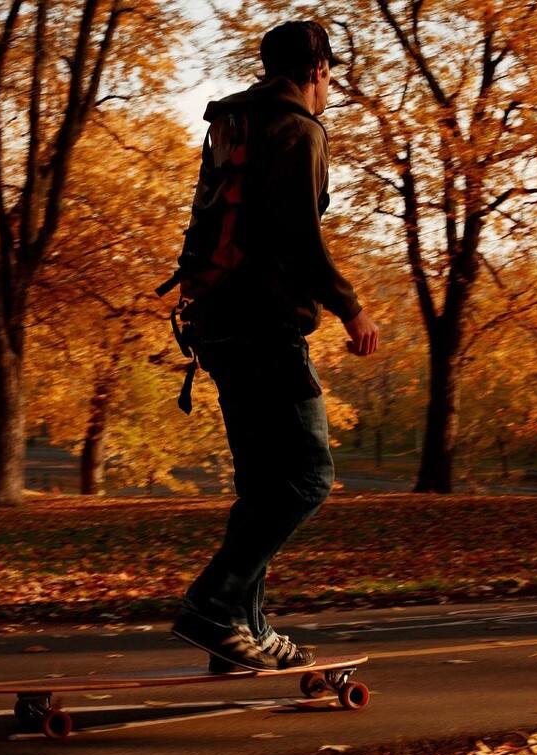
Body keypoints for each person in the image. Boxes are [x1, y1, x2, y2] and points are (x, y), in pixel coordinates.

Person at [170, 20, 379, 673]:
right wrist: (350, 307)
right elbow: (295, 236)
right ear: (318, 69)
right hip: (264, 325)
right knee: (309, 476)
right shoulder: (298, 130)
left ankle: (243, 631)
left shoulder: (235, 126)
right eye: (330, 73)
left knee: (264, 486)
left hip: (216, 323)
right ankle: (214, 603)